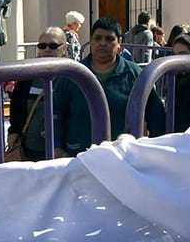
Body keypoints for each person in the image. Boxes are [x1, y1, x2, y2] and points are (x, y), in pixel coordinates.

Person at [51, 16, 163, 155]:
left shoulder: (135, 75)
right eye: (97, 38)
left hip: (122, 159)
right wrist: (58, 150)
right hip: (79, 159)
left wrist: (151, 153)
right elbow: (56, 115)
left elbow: (156, 116)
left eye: (110, 39)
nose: (103, 43)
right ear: (91, 41)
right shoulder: (72, 75)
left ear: (119, 43)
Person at [7, 26, 67, 160]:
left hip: (60, 152)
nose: (47, 49)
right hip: (29, 150)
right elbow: (16, 106)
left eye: (53, 46)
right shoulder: (27, 76)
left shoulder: (71, 77)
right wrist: (14, 131)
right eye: (42, 45)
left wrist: (59, 131)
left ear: (63, 49)